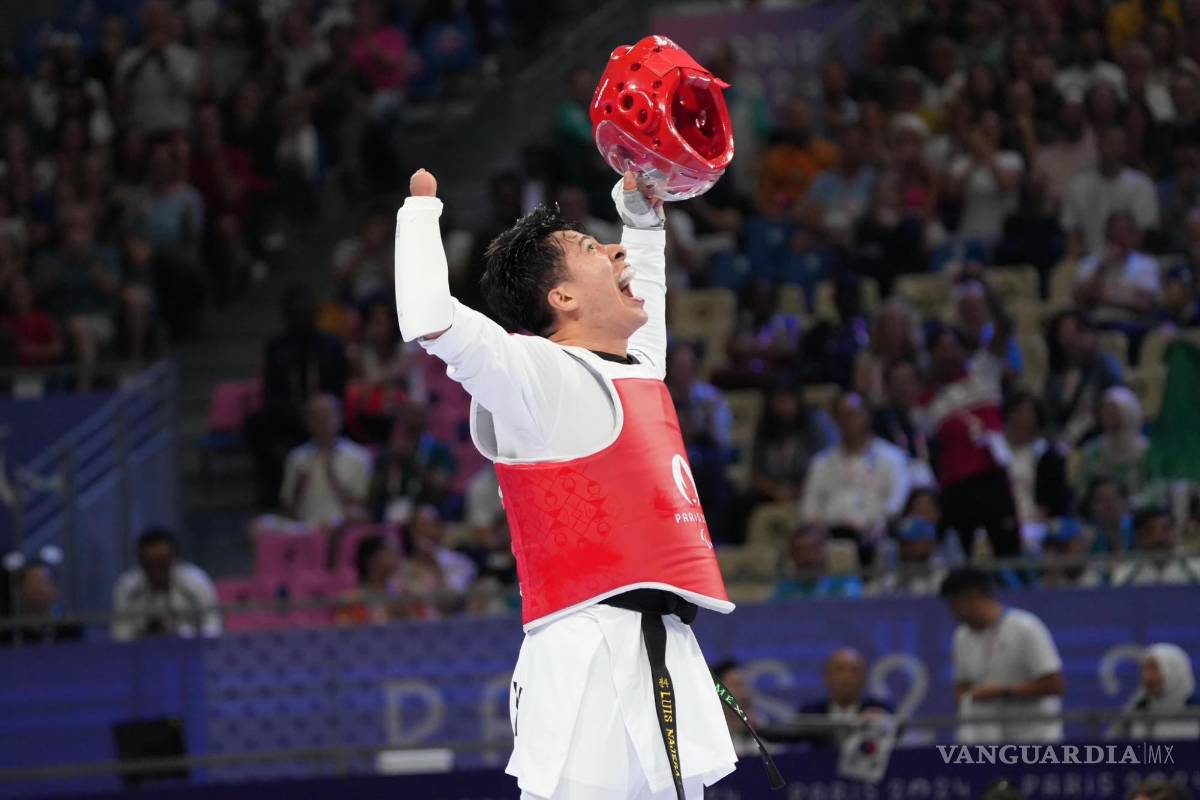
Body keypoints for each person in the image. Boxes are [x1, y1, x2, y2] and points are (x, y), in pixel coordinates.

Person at [395, 165, 743, 798]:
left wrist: (642, 221)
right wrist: (420, 216)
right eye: (591, 248)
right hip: (585, 655)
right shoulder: (536, 378)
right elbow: (430, 318)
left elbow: (647, 306)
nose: (615, 252)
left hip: (663, 647)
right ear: (562, 299)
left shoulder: (636, 371)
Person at [918, 319, 1022, 559]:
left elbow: (1003, 330)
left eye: (952, 347)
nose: (948, 355)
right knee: (960, 558)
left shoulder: (982, 372)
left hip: (990, 477)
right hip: (955, 486)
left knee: (1008, 549)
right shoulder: (927, 401)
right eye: (941, 349)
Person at [244, 284, 348, 507]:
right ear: (286, 314)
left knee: (337, 416)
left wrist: (320, 411)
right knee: (255, 425)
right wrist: (299, 413)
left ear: (315, 314)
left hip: (326, 412)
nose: (302, 318)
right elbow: (270, 392)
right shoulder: (276, 346)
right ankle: (273, 494)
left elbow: (340, 389)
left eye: (306, 312)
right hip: (290, 416)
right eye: (296, 312)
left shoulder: (332, 345)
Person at [941, 568, 1065, 743]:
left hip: (1036, 738)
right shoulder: (961, 636)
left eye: (954, 605)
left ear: (974, 596)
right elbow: (961, 687)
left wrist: (1002, 691)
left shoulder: (1026, 628)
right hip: (990, 740)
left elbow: (1055, 685)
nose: (952, 613)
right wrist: (969, 698)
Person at [801, 392, 910, 564]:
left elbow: (896, 501)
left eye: (853, 414)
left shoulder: (892, 457)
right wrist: (818, 529)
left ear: (868, 416)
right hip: (831, 536)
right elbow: (810, 503)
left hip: (874, 534)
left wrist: (880, 524)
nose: (848, 421)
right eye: (842, 416)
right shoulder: (821, 462)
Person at [1060, 127, 1159, 261]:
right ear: (1098, 145)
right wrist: (1076, 265)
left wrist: (1122, 262)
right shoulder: (1079, 184)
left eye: (1117, 144)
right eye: (1109, 143)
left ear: (1125, 147)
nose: (1112, 149)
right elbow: (1072, 231)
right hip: (1089, 260)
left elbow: (1143, 233)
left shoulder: (1141, 184)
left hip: (1129, 261)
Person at [111, 528, 221, 642]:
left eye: (162, 562)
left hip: (190, 647)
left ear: (174, 558)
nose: (156, 569)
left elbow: (213, 626)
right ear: (141, 560)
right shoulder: (127, 587)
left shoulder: (195, 581)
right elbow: (120, 634)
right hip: (141, 649)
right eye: (150, 563)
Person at [279, 394, 373, 527]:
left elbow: (364, 507)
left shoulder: (359, 456)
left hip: (342, 525)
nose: (322, 422)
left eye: (327, 415)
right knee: (260, 525)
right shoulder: (297, 457)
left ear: (340, 418)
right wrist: (298, 489)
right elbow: (287, 509)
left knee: (354, 515)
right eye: (315, 417)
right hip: (304, 526)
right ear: (307, 422)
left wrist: (333, 478)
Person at [1043, 311, 1125, 445]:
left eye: (1078, 332)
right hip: (1061, 442)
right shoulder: (1055, 376)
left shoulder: (1105, 366)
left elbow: (1117, 402)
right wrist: (1057, 441)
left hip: (1098, 440)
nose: (1073, 339)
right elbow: (1049, 417)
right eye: (1066, 334)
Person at [1074, 212, 1162, 326]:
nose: (1121, 237)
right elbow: (1081, 299)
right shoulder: (1090, 263)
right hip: (1094, 322)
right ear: (1107, 234)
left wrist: (1102, 296)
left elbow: (1146, 304)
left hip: (1132, 323)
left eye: (1126, 231)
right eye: (1116, 231)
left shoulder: (1147, 264)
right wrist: (1102, 268)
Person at [795, 649, 894, 749]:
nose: (846, 677)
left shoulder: (881, 709)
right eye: (839, 670)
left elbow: (897, 733)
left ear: (864, 678)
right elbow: (791, 739)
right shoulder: (811, 712)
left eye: (854, 671)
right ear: (826, 676)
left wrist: (884, 724)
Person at [1002, 391, 1071, 534]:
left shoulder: (1046, 455)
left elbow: (1053, 500)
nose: (1021, 419)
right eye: (1017, 413)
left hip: (1037, 522)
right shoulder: (995, 452)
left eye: (1028, 414)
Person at [1111, 643, 1200, 740]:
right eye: (1145, 668)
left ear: (1175, 671)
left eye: (1154, 668)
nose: (1147, 677)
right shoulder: (1134, 713)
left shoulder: (1196, 711)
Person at [1076, 386, 1150, 500]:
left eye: (1113, 411)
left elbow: (1155, 489)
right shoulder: (1092, 451)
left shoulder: (1146, 451)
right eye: (1105, 411)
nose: (1107, 416)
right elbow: (1083, 489)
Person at [336, 533, 424, 624]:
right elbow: (345, 628)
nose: (396, 558)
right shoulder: (353, 599)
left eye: (395, 554)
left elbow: (420, 626)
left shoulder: (403, 593)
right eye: (389, 553)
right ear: (371, 560)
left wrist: (406, 613)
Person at [0, 561, 83, 646]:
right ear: (20, 591)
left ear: (55, 589)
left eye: (43, 582)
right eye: (32, 583)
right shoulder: (9, 633)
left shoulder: (71, 630)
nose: (38, 588)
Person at [772, 524, 864, 601]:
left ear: (825, 550)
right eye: (799, 551)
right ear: (792, 554)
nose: (806, 556)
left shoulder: (845, 583)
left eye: (813, 548)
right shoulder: (785, 589)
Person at [1111, 507, 1200, 585]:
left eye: (1165, 529)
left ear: (1175, 533)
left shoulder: (1196, 570)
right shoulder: (1124, 575)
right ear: (1138, 537)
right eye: (1149, 531)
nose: (1158, 538)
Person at [711, 660, 765, 758]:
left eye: (746, 685)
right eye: (736, 685)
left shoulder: (763, 726)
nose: (745, 693)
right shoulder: (708, 735)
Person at [1083, 476, 1136, 556]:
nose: (1108, 504)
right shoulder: (1088, 540)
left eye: (1114, 498)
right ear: (1092, 506)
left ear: (1125, 501)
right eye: (1102, 499)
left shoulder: (1139, 532)